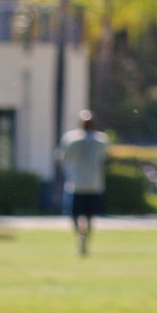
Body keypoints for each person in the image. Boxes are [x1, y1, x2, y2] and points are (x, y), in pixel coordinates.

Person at [56, 109, 110, 256]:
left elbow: (62, 157)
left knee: (78, 215)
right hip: (92, 184)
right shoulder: (101, 140)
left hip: (77, 183)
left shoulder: (71, 139)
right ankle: (84, 239)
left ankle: (81, 238)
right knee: (89, 216)